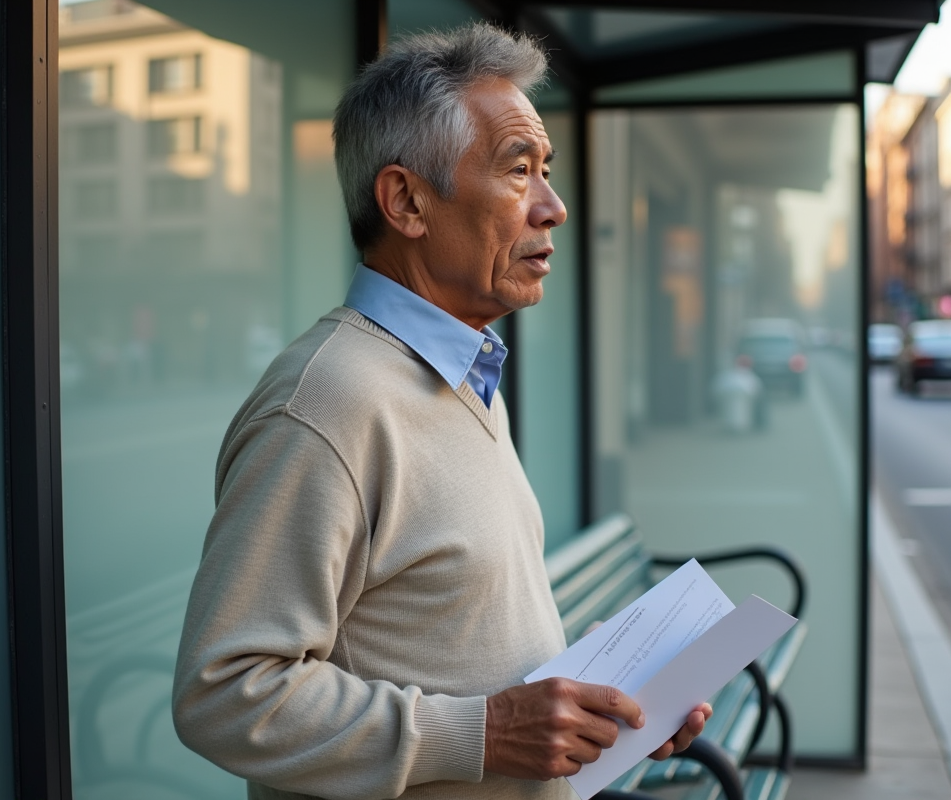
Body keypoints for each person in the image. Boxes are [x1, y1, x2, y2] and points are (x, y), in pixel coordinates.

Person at [172, 23, 710, 800]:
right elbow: (222, 693)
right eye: (518, 170)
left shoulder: (465, 372)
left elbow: (449, 637)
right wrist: (487, 733)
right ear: (407, 202)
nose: (552, 207)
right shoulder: (327, 403)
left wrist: (600, 695)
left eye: (546, 172)